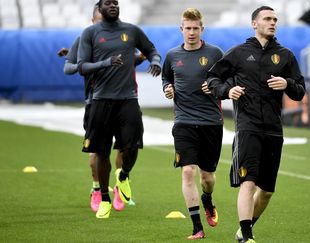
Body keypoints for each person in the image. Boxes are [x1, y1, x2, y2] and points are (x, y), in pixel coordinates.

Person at [207, 6, 305, 243]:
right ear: (254, 23)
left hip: (273, 129)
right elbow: (212, 79)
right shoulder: (239, 53)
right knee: (248, 182)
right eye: (267, 19)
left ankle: (244, 230)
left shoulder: (285, 55)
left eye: (275, 19)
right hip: (247, 127)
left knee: (267, 191)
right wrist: (227, 91)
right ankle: (247, 236)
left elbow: (300, 91)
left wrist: (288, 84)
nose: (272, 23)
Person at [58, 4, 146, 213]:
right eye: (99, 22)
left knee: (124, 147)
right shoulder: (85, 37)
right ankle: (97, 188)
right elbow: (70, 67)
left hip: (122, 99)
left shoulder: (122, 36)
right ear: (93, 22)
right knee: (97, 152)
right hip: (95, 101)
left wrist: (139, 58)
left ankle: (118, 186)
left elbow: (125, 62)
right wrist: (79, 60)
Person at [77, 0, 161, 219]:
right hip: (100, 100)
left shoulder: (131, 30)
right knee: (102, 152)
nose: (113, 5)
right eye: (108, 3)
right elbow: (82, 66)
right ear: (100, 9)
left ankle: (122, 176)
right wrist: (105, 63)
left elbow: (152, 50)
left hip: (128, 99)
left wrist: (156, 61)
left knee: (132, 148)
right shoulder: (90, 33)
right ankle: (104, 198)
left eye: (115, 2)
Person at [162, 8, 223, 240]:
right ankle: (197, 227)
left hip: (211, 123)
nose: (191, 32)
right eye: (187, 28)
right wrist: (167, 89)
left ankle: (208, 199)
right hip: (184, 122)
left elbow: (228, 79)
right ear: (181, 29)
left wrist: (215, 86)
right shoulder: (172, 56)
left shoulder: (215, 53)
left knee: (207, 177)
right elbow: (166, 77)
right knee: (188, 171)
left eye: (195, 28)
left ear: (202, 29)